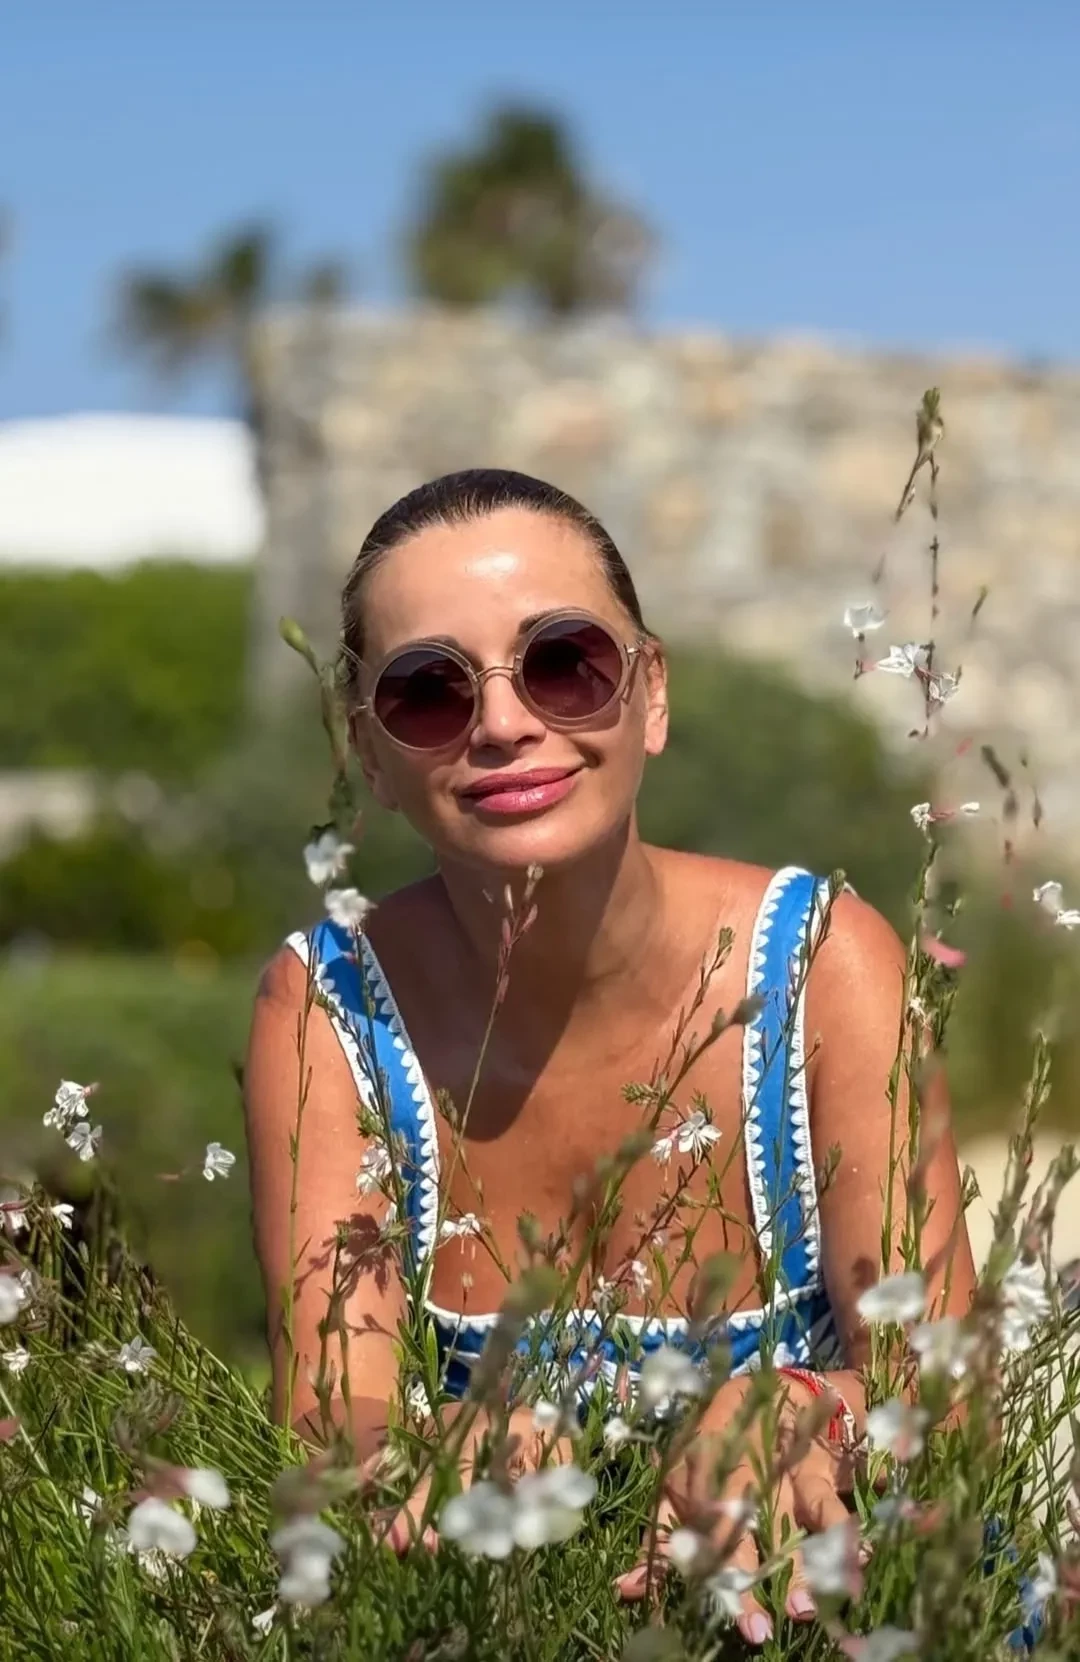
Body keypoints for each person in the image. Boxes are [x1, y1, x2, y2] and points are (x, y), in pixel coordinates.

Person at [244, 468, 976, 1647]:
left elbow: (946, 1395)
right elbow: (332, 1422)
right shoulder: (325, 1007)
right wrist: (437, 1448)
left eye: (563, 662)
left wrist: (798, 1410)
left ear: (652, 693)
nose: (500, 723)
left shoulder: (822, 965)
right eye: (428, 690)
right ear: (370, 753)